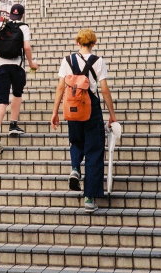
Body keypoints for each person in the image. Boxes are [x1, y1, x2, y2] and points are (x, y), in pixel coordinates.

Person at [50, 28, 117, 211]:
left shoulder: (67, 60)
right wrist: (112, 114)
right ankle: (89, 198)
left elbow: (60, 87)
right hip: (91, 108)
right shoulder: (98, 61)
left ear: (77, 43)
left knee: (76, 141)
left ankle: (75, 168)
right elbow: (103, 89)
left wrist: (55, 112)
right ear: (93, 43)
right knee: (94, 151)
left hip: (72, 108)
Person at [0, 3, 39, 153]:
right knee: (17, 94)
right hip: (17, 67)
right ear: (22, 15)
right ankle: (13, 125)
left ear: (10, 14)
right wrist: (32, 63)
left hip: (0, 68)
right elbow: (26, 47)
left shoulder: (0, 25)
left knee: (2, 100)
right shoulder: (24, 27)